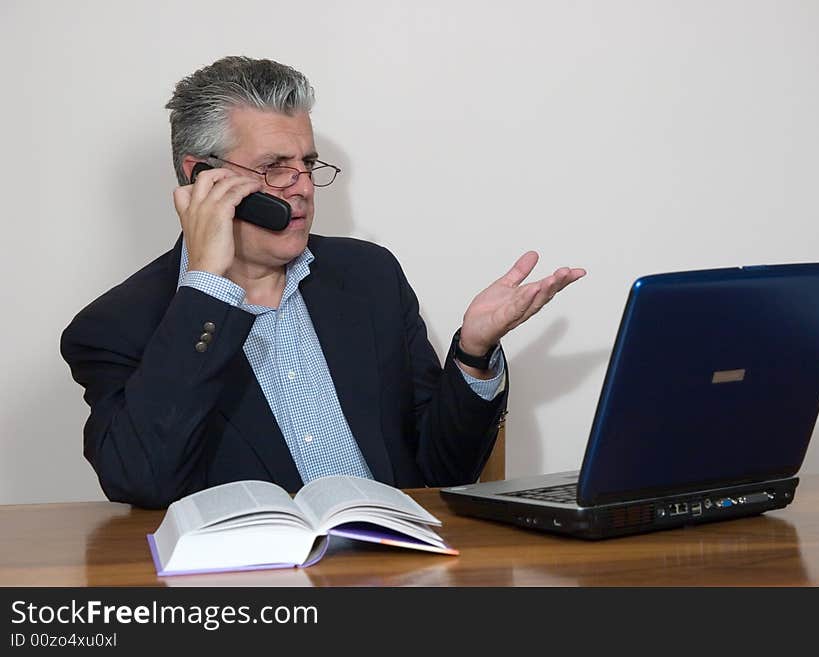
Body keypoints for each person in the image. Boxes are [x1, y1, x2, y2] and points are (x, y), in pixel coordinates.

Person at [60, 56, 585, 509]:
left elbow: (444, 468)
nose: (305, 189)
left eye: (308, 165)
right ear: (202, 176)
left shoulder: (369, 277)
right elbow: (143, 480)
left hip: (398, 569)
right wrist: (206, 290)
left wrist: (473, 351)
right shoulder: (115, 325)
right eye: (275, 168)